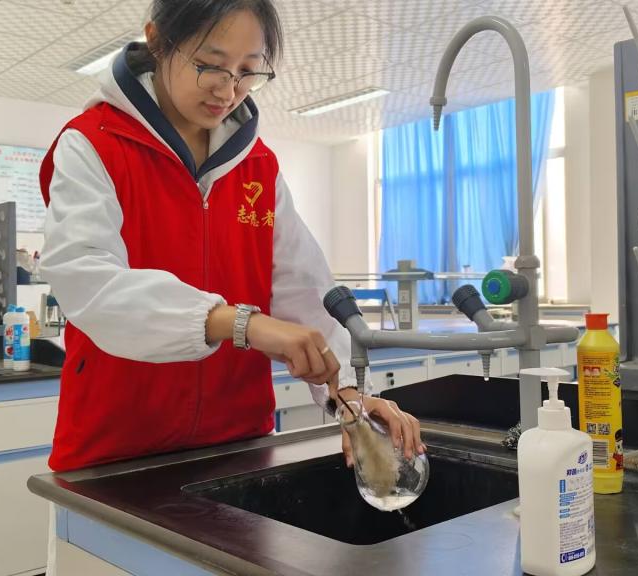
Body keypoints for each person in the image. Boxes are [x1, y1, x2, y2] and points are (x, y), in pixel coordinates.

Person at [39, 0, 425, 475]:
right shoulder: (93, 144)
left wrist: (348, 392)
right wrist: (241, 323)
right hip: (113, 454)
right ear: (157, 42)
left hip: (237, 447)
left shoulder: (258, 165)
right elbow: (90, 284)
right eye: (210, 65)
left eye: (247, 71)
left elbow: (303, 289)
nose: (228, 90)